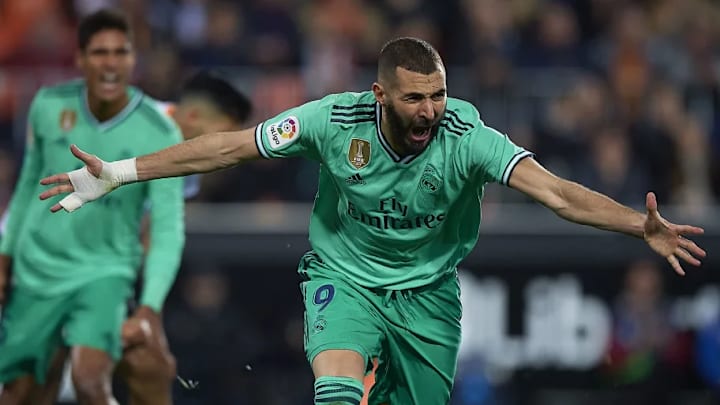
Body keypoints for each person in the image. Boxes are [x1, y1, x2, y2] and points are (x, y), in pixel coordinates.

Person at [38, 37, 706, 405]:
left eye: (438, 95)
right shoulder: (333, 120)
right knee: (335, 389)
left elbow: (555, 193)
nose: (430, 111)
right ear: (381, 94)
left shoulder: (469, 137)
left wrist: (637, 225)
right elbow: (228, 147)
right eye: (415, 98)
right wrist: (118, 172)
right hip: (344, 279)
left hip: (428, 296)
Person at [0, 9, 185, 405]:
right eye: (100, 52)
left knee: (90, 379)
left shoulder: (159, 129)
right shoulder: (48, 106)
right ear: (81, 58)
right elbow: (27, 187)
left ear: (133, 59)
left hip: (105, 270)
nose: (111, 63)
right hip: (37, 270)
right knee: (19, 393)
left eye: (121, 52)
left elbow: (168, 227)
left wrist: (150, 305)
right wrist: (4, 256)